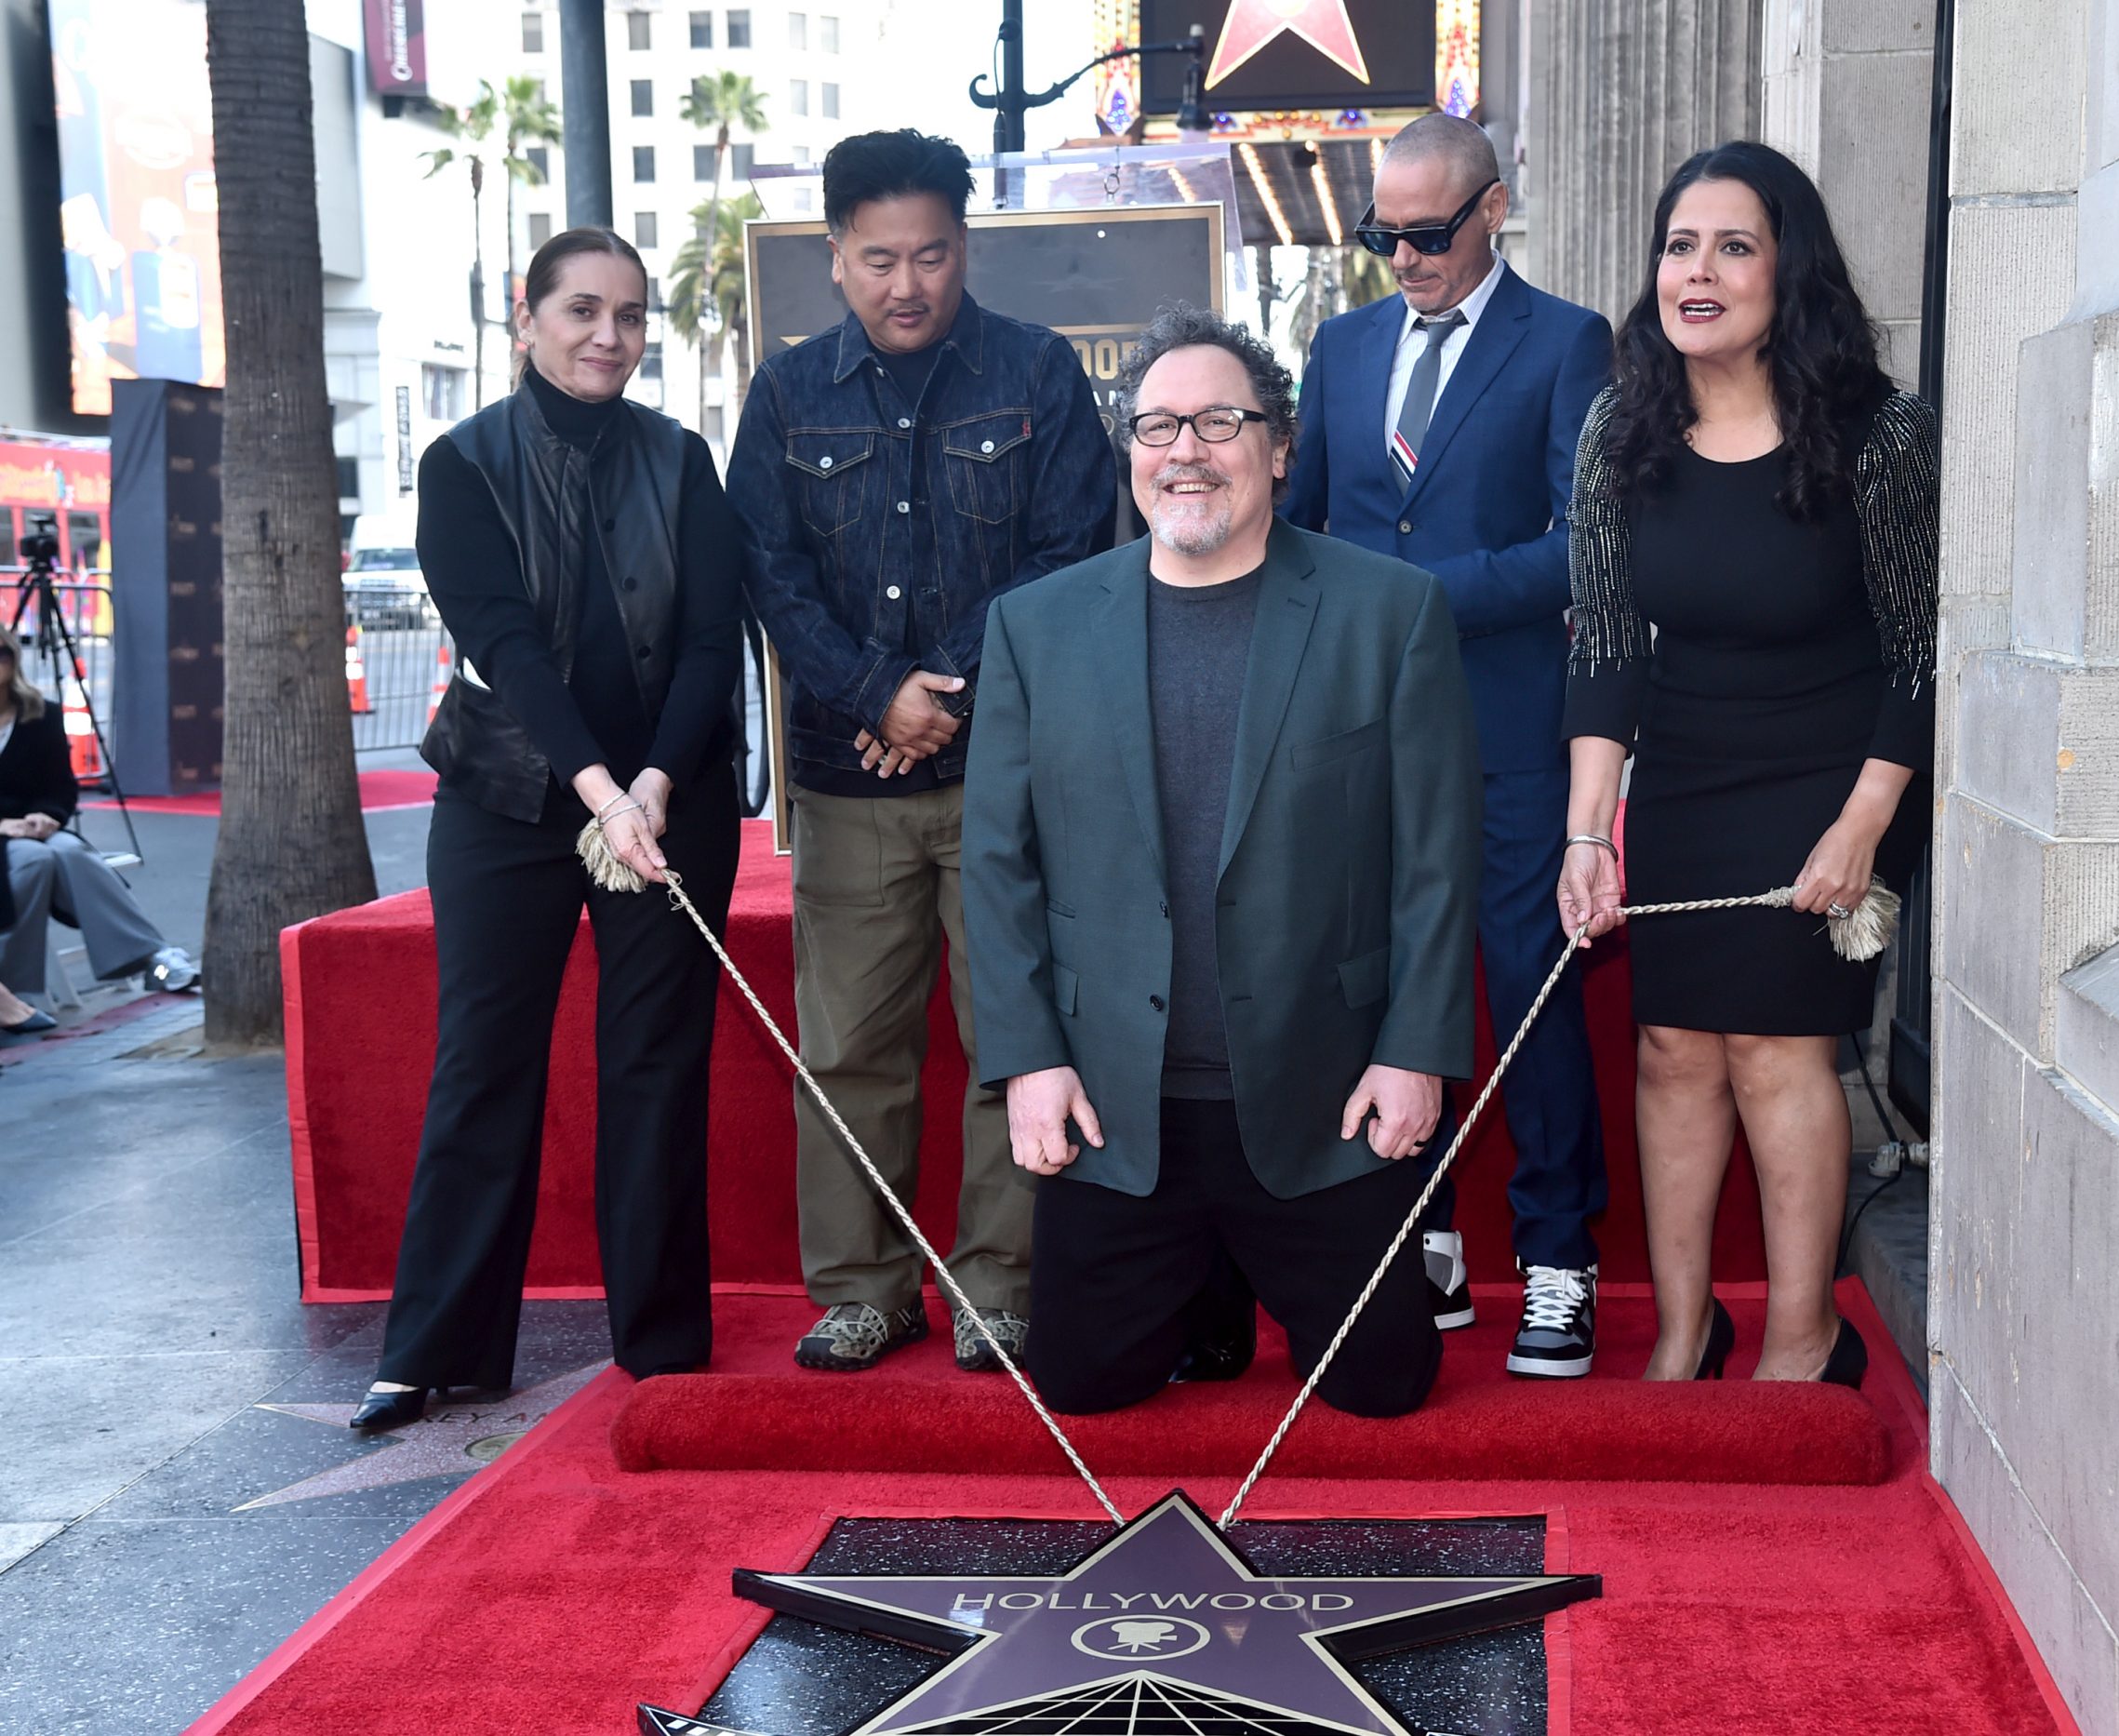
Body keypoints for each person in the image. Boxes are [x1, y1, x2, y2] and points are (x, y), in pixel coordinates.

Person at [964, 306, 1483, 1418]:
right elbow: (999, 869)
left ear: (1280, 448)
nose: (1183, 450)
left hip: (1320, 1097)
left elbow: (1436, 861)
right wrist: (1029, 1062)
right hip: (1120, 1104)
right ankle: (1204, 1279)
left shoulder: (1389, 612)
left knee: (1383, 1387)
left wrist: (1414, 1053)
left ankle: (1240, 1270)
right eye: (1156, 426)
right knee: (1083, 1388)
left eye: (1218, 421)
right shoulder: (1034, 628)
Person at [727, 129, 1116, 1375]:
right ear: (835, 256)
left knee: (1017, 1035)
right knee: (850, 1048)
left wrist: (935, 694)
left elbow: (1072, 556)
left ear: (966, 247)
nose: (909, 284)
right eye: (880, 258)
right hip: (849, 783)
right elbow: (766, 575)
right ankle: (865, 1288)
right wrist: (872, 692)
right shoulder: (787, 395)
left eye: (933, 254)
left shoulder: (1037, 371)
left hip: (1010, 777)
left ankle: (998, 1287)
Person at [352, 227, 745, 1432]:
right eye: (582, 310)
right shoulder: (460, 464)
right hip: (507, 795)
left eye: (629, 316)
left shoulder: (682, 460)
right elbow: (507, 647)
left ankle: (662, 1346)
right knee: (484, 1062)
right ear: (526, 318)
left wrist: (661, 782)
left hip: (671, 792)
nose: (608, 336)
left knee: (653, 1064)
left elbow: (704, 643)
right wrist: (603, 791)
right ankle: (439, 1345)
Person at [1558, 141, 1938, 1388]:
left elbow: (1922, 653)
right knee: (1672, 1042)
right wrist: (1587, 830)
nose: (1699, 271)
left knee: (1778, 1046)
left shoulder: (1875, 435)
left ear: (1791, 270)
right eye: (1680, 245)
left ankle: (1799, 1335)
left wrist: (1865, 821)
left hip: (1834, 774)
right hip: (1689, 767)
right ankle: (1681, 1331)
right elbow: (1606, 639)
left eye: (1734, 245)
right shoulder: (1625, 423)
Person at [1282, 112, 1615, 1380]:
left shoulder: (1567, 343)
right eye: (1384, 234)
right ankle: (1417, 1233)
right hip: (1359, 733)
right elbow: (1305, 519)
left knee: (1529, 989)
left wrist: (1421, 596)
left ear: (1493, 210)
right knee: (1373, 985)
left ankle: (1558, 1259)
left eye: (1428, 233)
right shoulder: (1343, 343)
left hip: (1510, 725)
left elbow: (1589, 544)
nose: (1405, 258)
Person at [0, 620, 199, 1008]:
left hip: (33, 828)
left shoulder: (41, 714)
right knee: (36, 859)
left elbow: (60, 787)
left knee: (67, 851)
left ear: (14, 659)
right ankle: (19, 991)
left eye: (2, 653)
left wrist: (48, 816)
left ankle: (153, 957)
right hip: (5, 837)